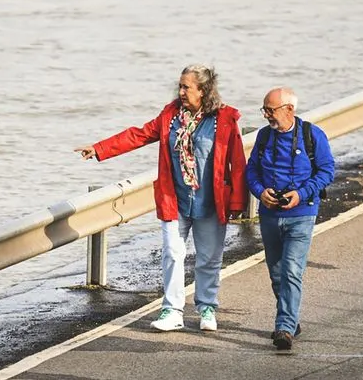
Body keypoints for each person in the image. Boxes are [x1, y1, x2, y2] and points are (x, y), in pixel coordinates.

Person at [75, 65, 247, 332]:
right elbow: (138, 135)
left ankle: (207, 307)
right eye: (180, 86)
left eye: (186, 87)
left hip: (211, 202)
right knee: (172, 253)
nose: (180, 92)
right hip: (174, 199)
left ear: (203, 90)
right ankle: (172, 310)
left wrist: (238, 202)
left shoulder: (224, 119)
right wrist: (99, 149)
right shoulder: (170, 116)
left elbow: (237, 162)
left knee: (209, 258)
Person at [245, 87, 335, 350]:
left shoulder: (312, 135)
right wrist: (261, 193)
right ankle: (291, 318)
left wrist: (302, 193)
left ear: (289, 109)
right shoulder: (263, 137)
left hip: (302, 214)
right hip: (269, 215)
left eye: (270, 110)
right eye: (265, 110)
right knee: (276, 274)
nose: (267, 116)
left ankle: (284, 328)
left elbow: (327, 171)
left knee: (292, 271)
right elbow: (251, 172)